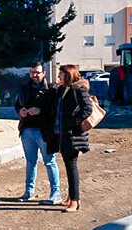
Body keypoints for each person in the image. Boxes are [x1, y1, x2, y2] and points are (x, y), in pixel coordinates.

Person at [47, 65, 93, 212]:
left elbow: (88, 108)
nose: (58, 77)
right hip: (63, 135)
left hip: (73, 135)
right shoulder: (62, 90)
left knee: (72, 167)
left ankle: (75, 201)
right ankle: (71, 197)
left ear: (68, 75)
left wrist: (74, 122)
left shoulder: (78, 89)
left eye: (60, 74)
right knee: (68, 166)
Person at [15, 62, 61, 205]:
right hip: (27, 130)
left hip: (44, 132)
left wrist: (41, 111)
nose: (35, 75)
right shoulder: (24, 88)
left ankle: (56, 193)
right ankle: (28, 192)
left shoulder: (51, 90)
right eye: (32, 72)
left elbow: (56, 110)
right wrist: (20, 111)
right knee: (30, 162)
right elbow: (17, 104)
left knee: (50, 161)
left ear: (44, 73)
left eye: (37, 72)